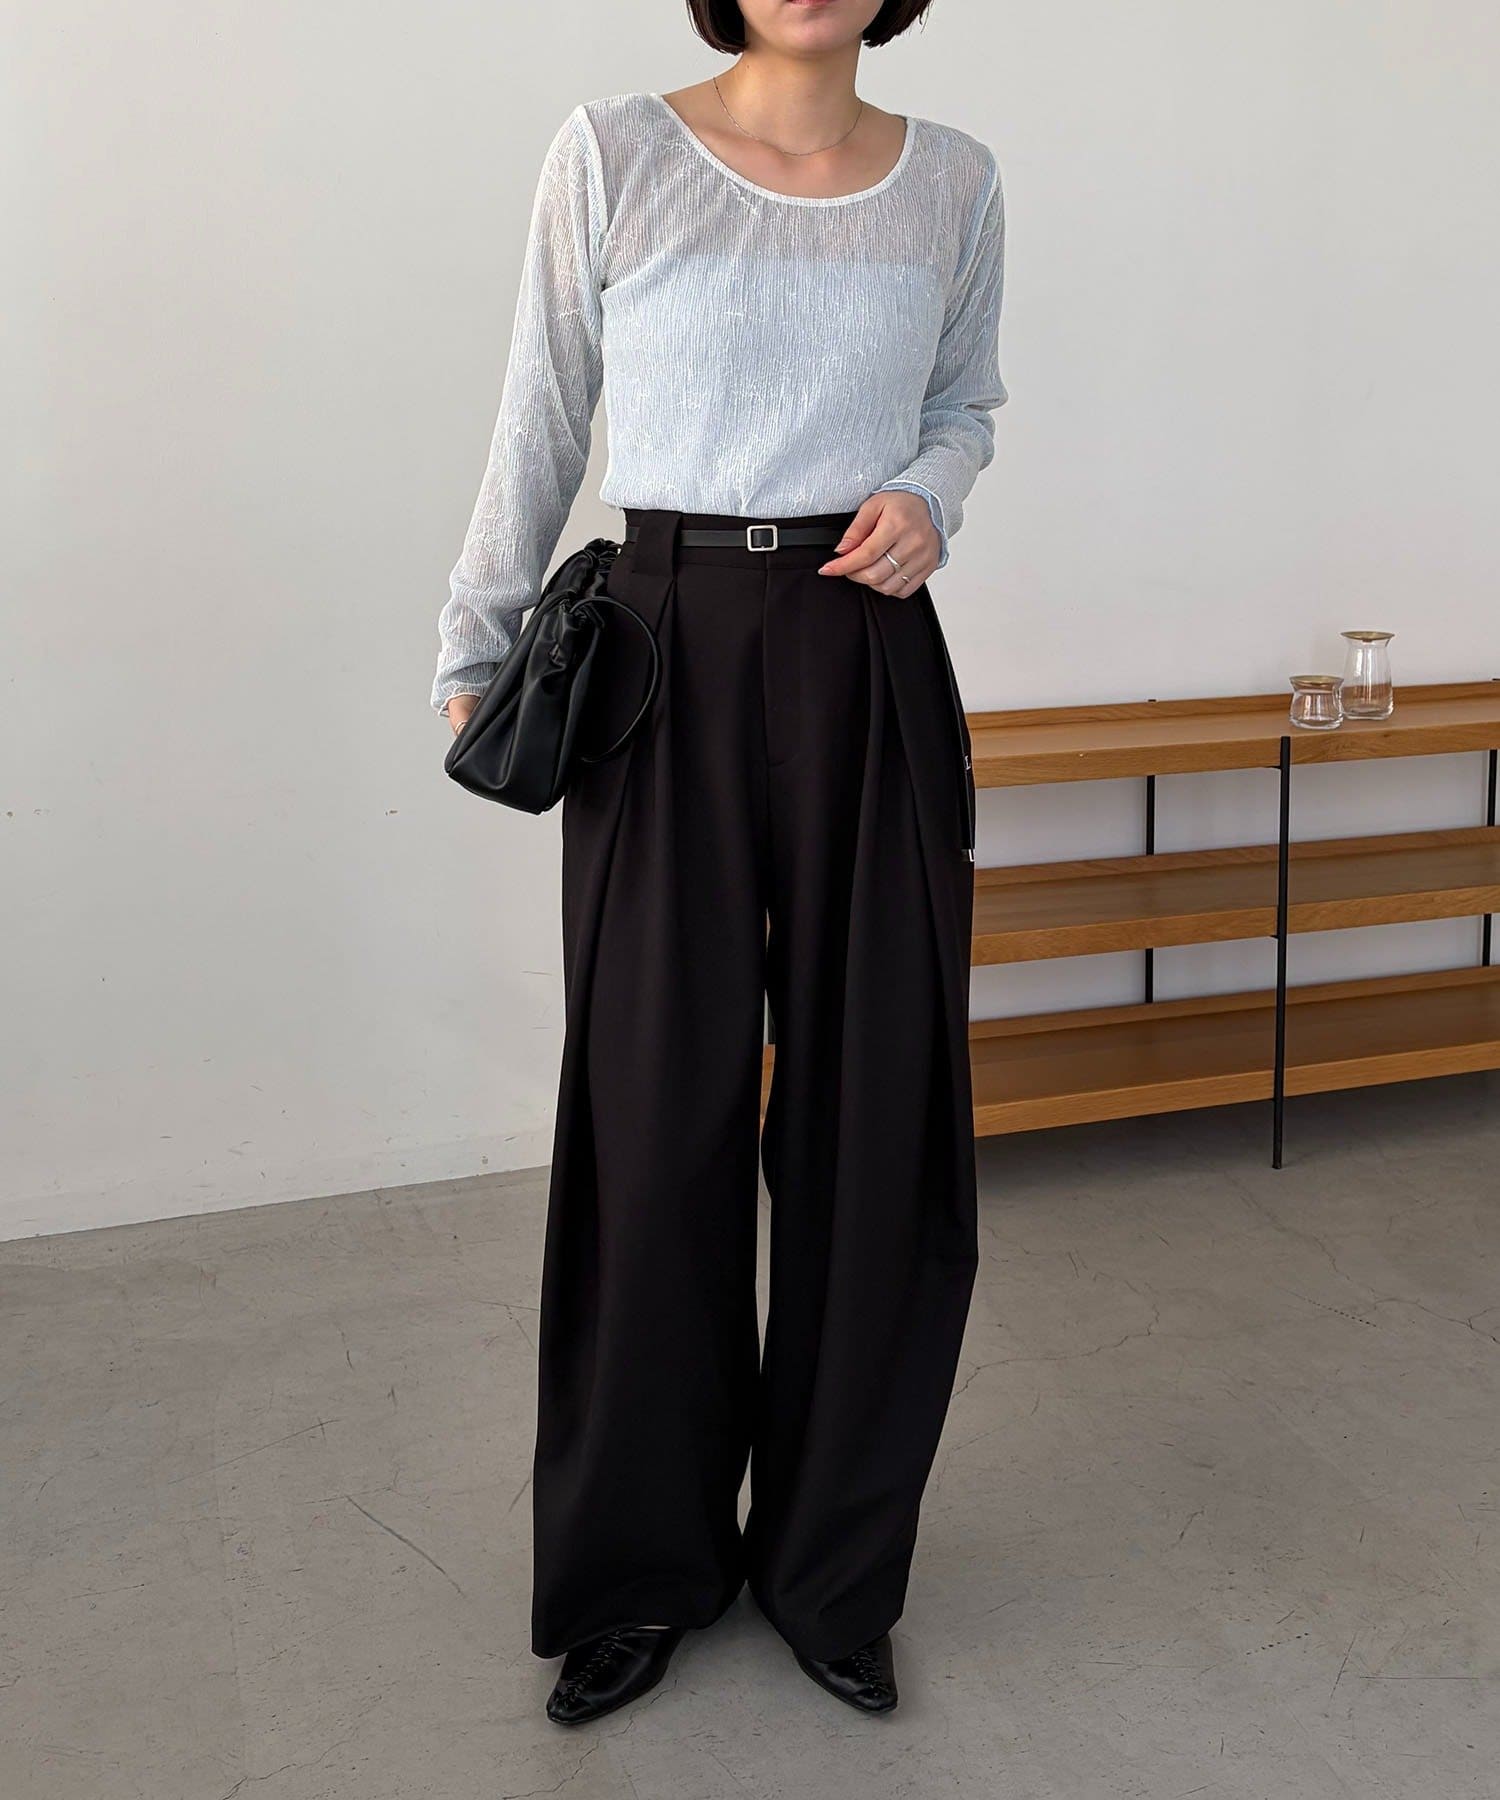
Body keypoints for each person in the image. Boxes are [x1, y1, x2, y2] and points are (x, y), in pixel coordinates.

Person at [432, 0, 1007, 1726]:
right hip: (659, 645)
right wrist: (476, 636)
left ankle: (833, 1569)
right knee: (651, 1108)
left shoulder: (957, 179)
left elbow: (966, 402)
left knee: (875, 1109)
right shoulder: (613, 152)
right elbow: (544, 403)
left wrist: (931, 491)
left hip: (864, 649)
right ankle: (637, 1567)